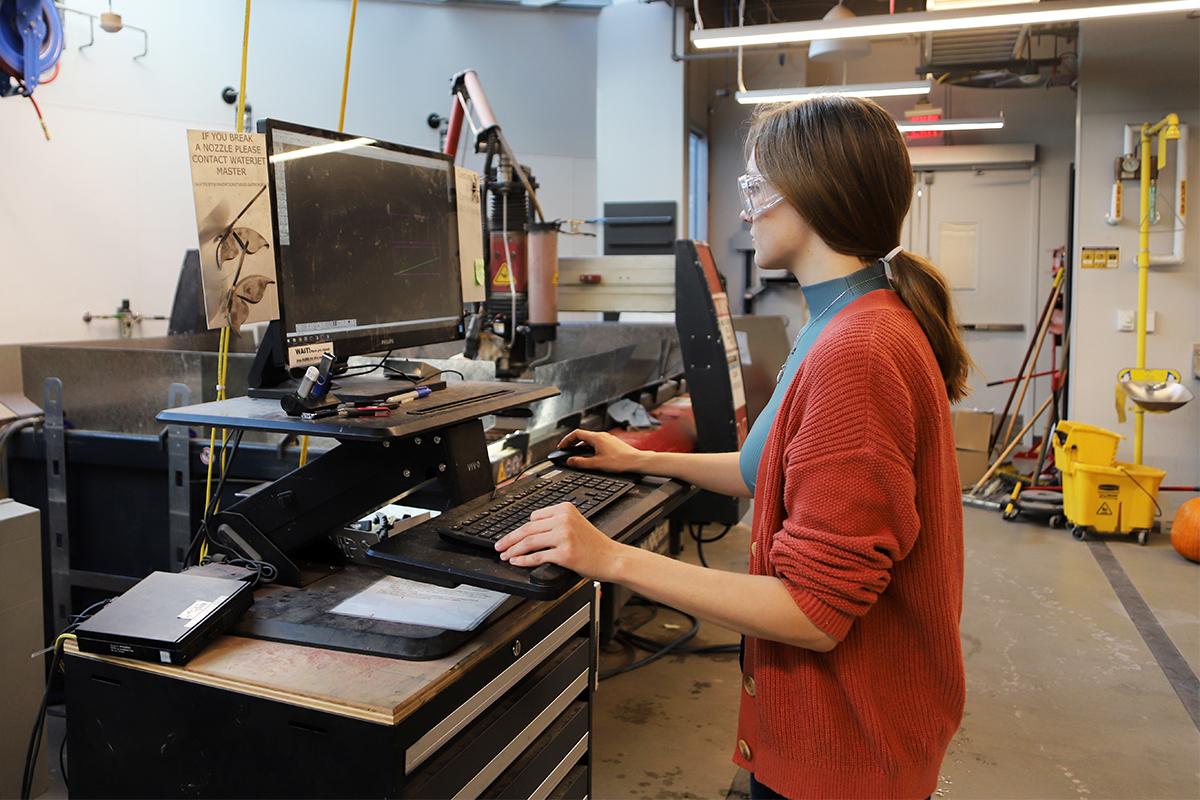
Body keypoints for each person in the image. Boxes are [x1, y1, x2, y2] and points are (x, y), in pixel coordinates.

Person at [496, 95, 968, 799]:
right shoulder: (841, 320)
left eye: (755, 188)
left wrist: (609, 558)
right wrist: (640, 459)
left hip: (846, 753)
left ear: (810, 193)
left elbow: (813, 612)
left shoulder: (857, 351)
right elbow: (771, 470)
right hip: (831, 735)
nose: (746, 210)